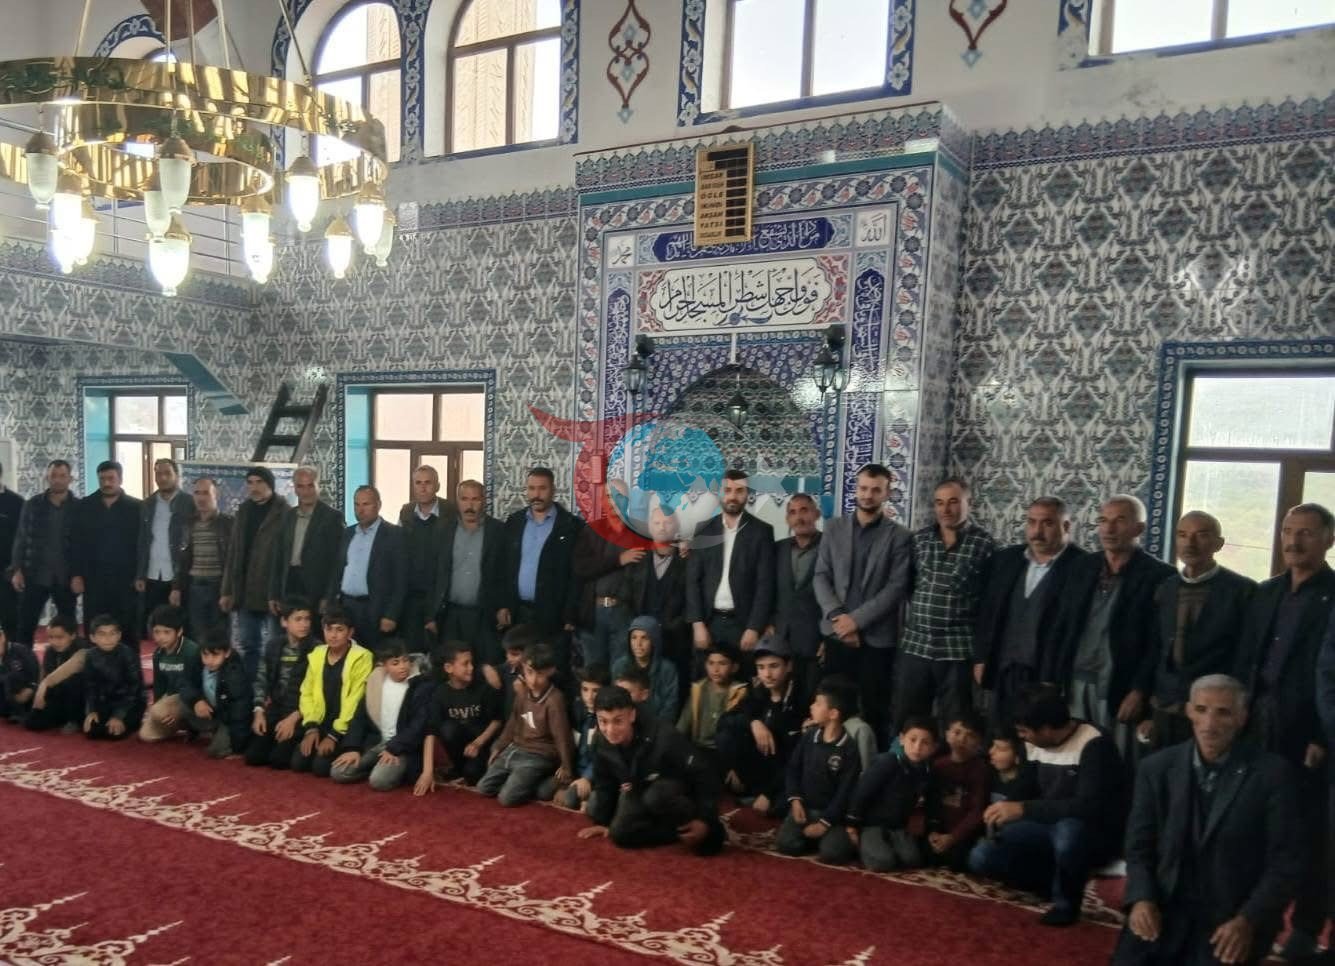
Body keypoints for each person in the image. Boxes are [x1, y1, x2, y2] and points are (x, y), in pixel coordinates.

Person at [1112, 675, 1303, 966]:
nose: (1209, 724)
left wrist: (1247, 920)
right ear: (1189, 711)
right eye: (1201, 710)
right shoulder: (1156, 768)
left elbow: (1285, 862)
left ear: (1242, 717)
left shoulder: (1273, 775)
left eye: (1223, 712)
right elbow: (1138, 847)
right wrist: (1141, 899)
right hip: (1166, 907)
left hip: (1232, 917)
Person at [1234, 502, 1335, 958]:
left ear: (1328, 539)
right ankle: (1258, 917)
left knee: (1309, 834)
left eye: (1306, 533)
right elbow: (1245, 659)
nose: (1294, 541)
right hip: (1257, 721)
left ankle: (1307, 927)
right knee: (1257, 822)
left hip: (1308, 731)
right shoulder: (1266, 592)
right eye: (1288, 531)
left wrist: (1322, 736)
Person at [968, 684, 1126, 926]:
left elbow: (1088, 807)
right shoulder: (1034, 742)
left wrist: (1023, 809)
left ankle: (1066, 904)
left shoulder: (1094, 744)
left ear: (1046, 729)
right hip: (1044, 821)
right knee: (982, 855)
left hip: (1088, 830)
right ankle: (1046, 882)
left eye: (1025, 731)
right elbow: (1026, 786)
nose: (1022, 737)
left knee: (1069, 833)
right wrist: (1003, 809)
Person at [1043, 495, 1175, 762]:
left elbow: (1158, 643)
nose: (1109, 529)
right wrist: (1049, 678)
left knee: (1118, 759)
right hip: (1074, 682)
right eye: (1103, 520)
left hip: (1119, 686)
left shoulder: (1159, 575)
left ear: (1139, 529)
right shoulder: (1082, 566)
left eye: (1119, 521)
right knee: (1077, 756)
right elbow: (1060, 626)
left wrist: (1140, 690)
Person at [813, 463, 913, 744]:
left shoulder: (900, 537)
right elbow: (821, 576)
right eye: (863, 488)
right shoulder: (833, 528)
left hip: (876, 640)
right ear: (855, 489)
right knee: (833, 709)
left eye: (875, 490)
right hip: (836, 634)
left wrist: (855, 622)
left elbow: (896, 588)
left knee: (874, 709)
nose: (868, 495)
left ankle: (870, 765)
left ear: (887, 493)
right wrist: (838, 618)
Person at [1138, 512, 1255, 750]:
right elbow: (1155, 649)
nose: (1189, 544)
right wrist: (1147, 707)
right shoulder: (1166, 588)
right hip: (1165, 704)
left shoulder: (1241, 591)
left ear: (1218, 544)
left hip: (1213, 709)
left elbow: (1246, 657)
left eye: (1201, 535)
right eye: (1182, 535)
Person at [974, 496, 1085, 730]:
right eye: (1032, 522)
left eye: (1047, 523)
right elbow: (988, 612)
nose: (1037, 531)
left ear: (1066, 526)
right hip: (1004, 667)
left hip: (1047, 672)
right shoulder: (1006, 560)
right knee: (1000, 735)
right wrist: (982, 657)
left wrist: (1058, 677)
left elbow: (1077, 629)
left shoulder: (1083, 566)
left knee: (1039, 736)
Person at [579, 685, 726, 855]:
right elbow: (605, 782)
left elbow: (703, 773)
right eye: (603, 721)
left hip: (678, 789)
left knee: (655, 797)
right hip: (638, 787)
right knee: (620, 834)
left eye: (618, 721)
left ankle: (708, 830)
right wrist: (603, 822)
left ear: (632, 715)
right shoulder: (599, 740)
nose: (610, 730)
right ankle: (678, 834)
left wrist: (705, 819)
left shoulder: (665, 736)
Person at [896, 478, 995, 730]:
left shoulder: (984, 544)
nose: (945, 509)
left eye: (953, 502)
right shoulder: (920, 540)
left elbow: (989, 602)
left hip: (957, 650)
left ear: (969, 503)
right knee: (907, 718)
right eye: (939, 503)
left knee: (956, 723)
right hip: (916, 646)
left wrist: (982, 655)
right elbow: (909, 586)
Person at [685, 469, 775, 664]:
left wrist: (754, 627)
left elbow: (765, 584)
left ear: (748, 494)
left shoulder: (762, 532)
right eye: (727, 490)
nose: (733, 496)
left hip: (743, 624)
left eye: (739, 490)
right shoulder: (703, 530)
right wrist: (697, 624)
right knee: (703, 678)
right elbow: (692, 581)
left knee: (742, 677)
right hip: (708, 622)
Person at [501, 467, 583, 672]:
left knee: (550, 670)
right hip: (518, 612)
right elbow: (504, 568)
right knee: (519, 670)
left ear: (553, 490)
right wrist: (503, 605)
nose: (536, 494)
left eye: (542, 488)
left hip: (553, 615)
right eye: (531, 488)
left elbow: (576, 575)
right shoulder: (514, 522)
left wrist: (570, 614)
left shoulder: (571, 526)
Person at [715, 634, 806, 816]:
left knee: (782, 805)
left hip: (785, 772)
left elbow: (796, 758)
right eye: (761, 667)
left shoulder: (802, 700)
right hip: (759, 766)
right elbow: (724, 721)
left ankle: (765, 797)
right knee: (727, 733)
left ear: (788, 666)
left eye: (774, 666)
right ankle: (746, 787)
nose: (767, 674)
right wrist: (754, 722)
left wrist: (768, 794)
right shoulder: (758, 692)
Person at [478, 640, 574, 806]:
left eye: (540, 674)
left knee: (506, 798)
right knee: (484, 787)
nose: (534, 680)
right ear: (523, 668)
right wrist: (499, 746)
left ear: (550, 671)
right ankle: (534, 783)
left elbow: (561, 735)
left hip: (539, 755)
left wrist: (566, 766)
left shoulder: (554, 700)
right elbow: (513, 722)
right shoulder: (522, 693)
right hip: (516, 749)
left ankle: (541, 782)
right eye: (529, 672)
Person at [331, 639, 434, 790]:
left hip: (402, 747)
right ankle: (376, 767)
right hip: (377, 744)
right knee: (338, 772)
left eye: (406, 660)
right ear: (383, 665)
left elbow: (418, 725)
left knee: (379, 781)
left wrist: (394, 748)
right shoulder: (376, 683)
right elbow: (359, 717)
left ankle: (392, 770)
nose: (403, 666)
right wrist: (352, 748)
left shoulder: (420, 685)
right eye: (395, 663)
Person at [776, 681, 861, 863]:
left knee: (833, 854)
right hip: (805, 808)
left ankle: (825, 838)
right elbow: (793, 769)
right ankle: (812, 838)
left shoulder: (849, 749)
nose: (811, 706)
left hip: (832, 815)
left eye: (818, 703)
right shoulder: (809, 736)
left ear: (833, 714)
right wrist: (795, 800)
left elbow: (846, 792)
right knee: (786, 844)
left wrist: (824, 824)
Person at [221, 466, 290, 684]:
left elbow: (285, 558)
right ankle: (251, 691)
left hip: (271, 592)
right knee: (248, 645)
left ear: (270, 484)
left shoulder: (284, 512)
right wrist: (227, 591)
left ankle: (276, 691)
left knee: (277, 647)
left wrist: (279, 593)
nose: (254, 487)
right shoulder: (244, 511)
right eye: (250, 482)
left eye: (259, 482)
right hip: (244, 592)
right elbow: (233, 553)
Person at [429, 480, 506, 667]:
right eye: (464, 499)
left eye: (475, 499)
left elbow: (506, 573)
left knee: (483, 666)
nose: (469, 505)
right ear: (457, 500)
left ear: (484, 500)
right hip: (450, 615)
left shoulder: (498, 530)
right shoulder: (443, 529)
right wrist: (430, 615)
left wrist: (503, 606)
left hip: (484, 614)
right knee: (452, 667)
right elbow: (434, 573)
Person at [846, 716, 939, 871]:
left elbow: (933, 802)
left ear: (934, 747)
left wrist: (934, 828)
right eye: (913, 740)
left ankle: (884, 846)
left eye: (925, 743)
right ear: (902, 739)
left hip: (897, 826)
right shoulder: (888, 762)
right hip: (872, 823)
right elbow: (862, 792)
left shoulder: (928, 772)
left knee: (912, 859)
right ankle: (863, 847)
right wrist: (852, 824)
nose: (917, 747)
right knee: (883, 862)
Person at [291, 607, 374, 776]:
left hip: (346, 726)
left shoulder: (362, 656)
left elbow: (355, 699)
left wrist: (333, 736)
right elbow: (306, 692)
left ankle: (362, 757)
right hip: (320, 722)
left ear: (350, 632)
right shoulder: (317, 653)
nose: (333, 635)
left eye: (339, 630)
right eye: (328, 629)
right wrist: (311, 727)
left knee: (320, 768)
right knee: (297, 764)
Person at [573, 481, 644, 669]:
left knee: (621, 669)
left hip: (624, 612)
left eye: (619, 497)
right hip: (593, 612)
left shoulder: (639, 533)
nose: (613, 502)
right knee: (593, 669)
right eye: (609, 497)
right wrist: (618, 560)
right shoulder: (592, 530)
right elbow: (581, 568)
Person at [623, 504, 691, 695]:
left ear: (676, 527)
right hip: (639, 640)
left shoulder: (688, 560)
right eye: (657, 522)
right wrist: (637, 629)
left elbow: (692, 602)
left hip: (675, 639)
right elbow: (626, 599)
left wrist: (672, 627)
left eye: (667, 523)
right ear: (649, 527)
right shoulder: (637, 558)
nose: (662, 527)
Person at [328, 485, 406, 653]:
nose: (360, 510)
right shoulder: (348, 533)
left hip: (376, 608)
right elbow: (338, 571)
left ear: (378, 505)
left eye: (366, 504)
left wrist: (391, 614)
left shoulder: (394, 535)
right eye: (356, 505)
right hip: (347, 607)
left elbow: (401, 579)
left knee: (374, 656)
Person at [71, 460, 142, 643]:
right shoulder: (85, 506)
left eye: (111, 478)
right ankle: (94, 661)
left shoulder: (136, 507)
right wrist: (76, 574)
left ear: (120, 479)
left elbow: (142, 545)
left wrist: (140, 575)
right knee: (95, 626)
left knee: (127, 627)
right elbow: (76, 543)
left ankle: (128, 661)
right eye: (102, 479)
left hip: (126, 580)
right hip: (93, 579)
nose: (106, 483)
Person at [419, 640, 504, 791]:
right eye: (465, 664)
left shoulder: (483, 688)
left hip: (482, 742)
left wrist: (478, 743)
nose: (471, 668)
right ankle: (458, 767)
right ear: (449, 668)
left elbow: (497, 720)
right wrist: (427, 771)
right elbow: (431, 731)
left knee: (473, 775)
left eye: (472, 663)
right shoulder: (440, 693)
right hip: (459, 745)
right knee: (448, 728)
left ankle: (471, 769)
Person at [9, 460, 76, 648]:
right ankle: (22, 662)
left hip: (66, 576)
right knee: (26, 624)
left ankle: (69, 663)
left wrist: (80, 574)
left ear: (70, 479)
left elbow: (83, 545)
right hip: (34, 574)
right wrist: (16, 569)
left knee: (68, 626)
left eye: (62, 476)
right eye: (53, 475)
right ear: (47, 477)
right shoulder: (33, 504)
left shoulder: (79, 507)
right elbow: (21, 537)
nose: (57, 480)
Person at [246, 598, 317, 769]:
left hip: (302, 713)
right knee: (254, 757)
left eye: (307, 619)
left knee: (279, 760)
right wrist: (259, 712)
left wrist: (294, 718)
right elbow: (261, 680)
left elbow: (318, 693)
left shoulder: (317, 649)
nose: (304, 624)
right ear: (284, 622)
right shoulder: (273, 645)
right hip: (276, 708)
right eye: (298, 619)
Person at [268, 465, 343, 618]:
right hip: (289, 584)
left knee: (313, 629)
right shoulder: (287, 516)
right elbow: (278, 558)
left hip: (316, 589)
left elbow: (337, 562)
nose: (306, 491)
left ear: (318, 487)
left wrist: (328, 596)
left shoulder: (332, 517)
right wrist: (273, 594)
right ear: (295, 489)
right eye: (300, 486)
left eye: (310, 486)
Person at [770, 493, 824, 698]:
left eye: (804, 510)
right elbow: (766, 589)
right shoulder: (777, 549)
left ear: (816, 514)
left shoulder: (831, 546)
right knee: (779, 698)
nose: (799, 517)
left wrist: (830, 638)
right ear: (787, 519)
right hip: (780, 639)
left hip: (815, 641)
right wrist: (767, 623)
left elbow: (842, 593)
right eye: (792, 512)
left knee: (809, 699)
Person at [397, 465, 456, 651]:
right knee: (412, 650)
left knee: (441, 651)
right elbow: (399, 550)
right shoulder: (406, 512)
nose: (423, 488)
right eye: (418, 483)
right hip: (412, 594)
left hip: (441, 594)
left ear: (437, 486)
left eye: (428, 483)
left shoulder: (451, 512)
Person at [134, 458, 193, 637]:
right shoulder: (147, 504)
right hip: (153, 574)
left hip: (179, 574)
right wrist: (140, 574)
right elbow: (142, 541)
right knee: (156, 627)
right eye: (158, 474)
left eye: (167, 473)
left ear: (177, 475)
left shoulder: (189, 503)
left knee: (179, 626)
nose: (163, 478)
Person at [171, 477, 233, 644]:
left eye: (206, 493)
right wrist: (176, 587)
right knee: (196, 636)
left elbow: (233, 562)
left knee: (219, 638)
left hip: (218, 587)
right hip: (194, 587)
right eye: (197, 493)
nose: (201, 498)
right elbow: (181, 560)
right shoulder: (187, 524)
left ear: (216, 494)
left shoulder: (228, 524)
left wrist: (229, 591)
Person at [928, 711, 989, 870]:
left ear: (979, 742)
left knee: (958, 860)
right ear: (947, 734)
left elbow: (977, 811)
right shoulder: (938, 765)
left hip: (962, 834)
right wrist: (933, 831)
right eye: (957, 732)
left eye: (970, 735)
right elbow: (931, 803)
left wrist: (953, 837)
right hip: (937, 830)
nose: (962, 739)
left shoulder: (980, 769)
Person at [138, 604, 202, 742]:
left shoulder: (192, 652)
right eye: (157, 632)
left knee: (160, 711)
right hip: (171, 697)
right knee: (146, 735)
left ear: (179, 631)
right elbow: (159, 685)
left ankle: (193, 725)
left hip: (193, 697)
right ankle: (180, 723)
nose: (161, 637)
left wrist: (178, 708)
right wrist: (157, 707)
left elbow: (199, 684)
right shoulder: (158, 654)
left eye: (166, 632)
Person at [676, 643, 747, 758]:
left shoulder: (740, 692)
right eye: (711, 663)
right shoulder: (698, 689)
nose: (715, 669)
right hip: (698, 748)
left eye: (722, 664)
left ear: (734, 667)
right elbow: (683, 724)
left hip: (725, 752)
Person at [81, 613, 145, 740]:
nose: (108, 638)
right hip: (106, 702)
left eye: (112, 633)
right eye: (102, 634)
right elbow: (90, 687)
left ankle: (132, 722)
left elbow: (134, 689)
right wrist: (91, 711)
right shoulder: (90, 655)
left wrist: (118, 716)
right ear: (92, 638)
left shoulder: (128, 654)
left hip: (130, 703)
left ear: (119, 635)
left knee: (114, 734)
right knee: (93, 731)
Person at [192, 631, 254, 759]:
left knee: (216, 751)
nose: (209, 660)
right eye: (205, 655)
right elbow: (186, 683)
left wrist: (238, 747)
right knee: (180, 705)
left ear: (227, 653)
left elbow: (240, 712)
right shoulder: (197, 662)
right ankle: (198, 730)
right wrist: (196, 700)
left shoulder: (235, 675)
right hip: (214, 711)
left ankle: (228, 737)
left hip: (230, 720)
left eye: (215, 655)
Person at [560, 662, 609, 811]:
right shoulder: (576, 708)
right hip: (576, 769)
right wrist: (565, 765)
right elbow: (567, 740)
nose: (589, 697)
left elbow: (604, 755)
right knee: (545, 790)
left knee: (572, 801)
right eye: (585, 690)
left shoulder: (607, 716)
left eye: (596, 691)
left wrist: (587, 778)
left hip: (597, 773)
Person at [611, 616, 680, 723]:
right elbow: (614, 702)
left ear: (654, 641)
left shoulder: (667, 669)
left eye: (644, 638)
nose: (638, 644)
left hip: (658, 726)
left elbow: (670, 707)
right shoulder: (619, 666)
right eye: (634, 638)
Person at [25, 614, 86, 732]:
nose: (54, 642)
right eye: (50, 637)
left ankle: (74, 720)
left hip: (81, 699)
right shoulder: (50, 651)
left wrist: (44, 685)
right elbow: (43, 676)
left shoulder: (83, 649)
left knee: (73, 680)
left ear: (73, 635)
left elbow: (66, 671)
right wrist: (39, 691)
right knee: (32, 722)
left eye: (59, 637)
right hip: (58, 695)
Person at [0, 461, 24, 636]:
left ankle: (12, 652)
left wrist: (18, 569)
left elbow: (23, 539)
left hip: (7, 572)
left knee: (10, 619)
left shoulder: (16, 502)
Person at [0, 622, 39, 723]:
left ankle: (20, 711)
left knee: (12, 677)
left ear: (2, 637)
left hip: (26, 692)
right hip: (7, 694)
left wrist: (31, 689)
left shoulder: (21, 651)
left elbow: (37, 672)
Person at [987, 731, 1038, 804]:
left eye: (1000, 748)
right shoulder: (987, 774)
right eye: (993, 745)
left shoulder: (1027, 784)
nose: (991, 751)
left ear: (1017, 757)